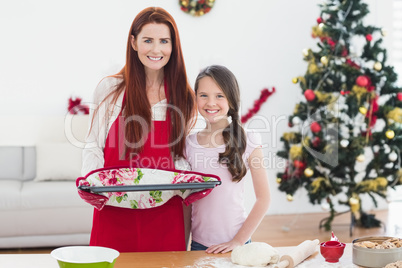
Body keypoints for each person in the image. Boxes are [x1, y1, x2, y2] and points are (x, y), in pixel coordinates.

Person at [81, 7, 196, 252]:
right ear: (133, 42)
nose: (156, 50)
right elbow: (93, 145)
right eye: (148, 40)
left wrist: (187, 183)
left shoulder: (184, 97)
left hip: (164, 215)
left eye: (164, 41)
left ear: (173, 45)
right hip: (114, 211)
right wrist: (91, 184)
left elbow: (182, 156)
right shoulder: (111, 89)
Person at [185, 65, 271, 253]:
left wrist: (238, 241)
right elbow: (185, 201)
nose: (211, 102)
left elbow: (264, 199)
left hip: (237, 243)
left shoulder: (249, 140)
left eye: (219, 95)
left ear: (231, 100)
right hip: (199, 245)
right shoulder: (188, 144)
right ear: (196, 97)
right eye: (204, 95)